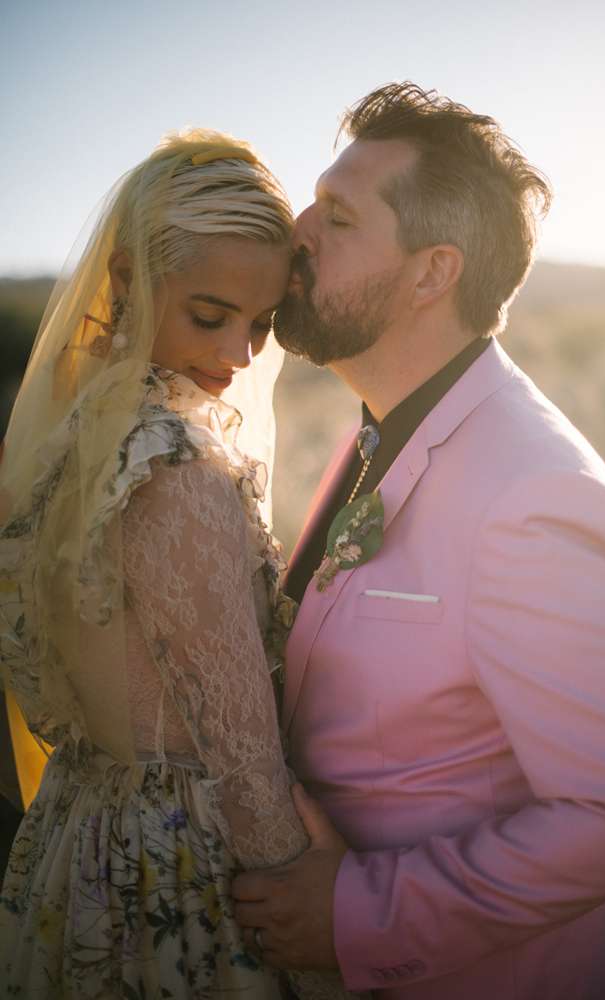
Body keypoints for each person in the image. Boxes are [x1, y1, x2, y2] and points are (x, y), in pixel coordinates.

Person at [232, 83, 605, 999]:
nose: (295, 232)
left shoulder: (536, 496)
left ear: (431, 273)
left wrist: (359, 913)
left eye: (337, 217)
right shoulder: (377, 433)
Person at [0, 129, 351, 1000]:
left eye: (260, 324)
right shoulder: (177, 468)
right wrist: (316, 928)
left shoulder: (72, 443)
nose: (239, 356)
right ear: (124, 278)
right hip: (180, 869)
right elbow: (241, 754)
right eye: (208, 315)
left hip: (80, 842)